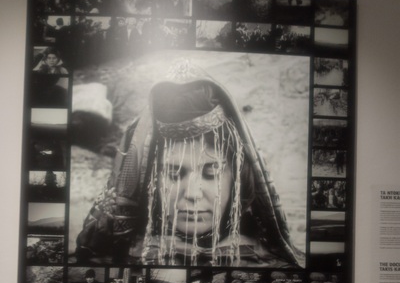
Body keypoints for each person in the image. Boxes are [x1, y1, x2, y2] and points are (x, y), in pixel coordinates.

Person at [76, 60, 303, 267]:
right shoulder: (112, 265)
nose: (192, 194)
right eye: (174, 174)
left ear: (238, 179)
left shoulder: (273, 269)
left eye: (211, 172)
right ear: (149, 180)